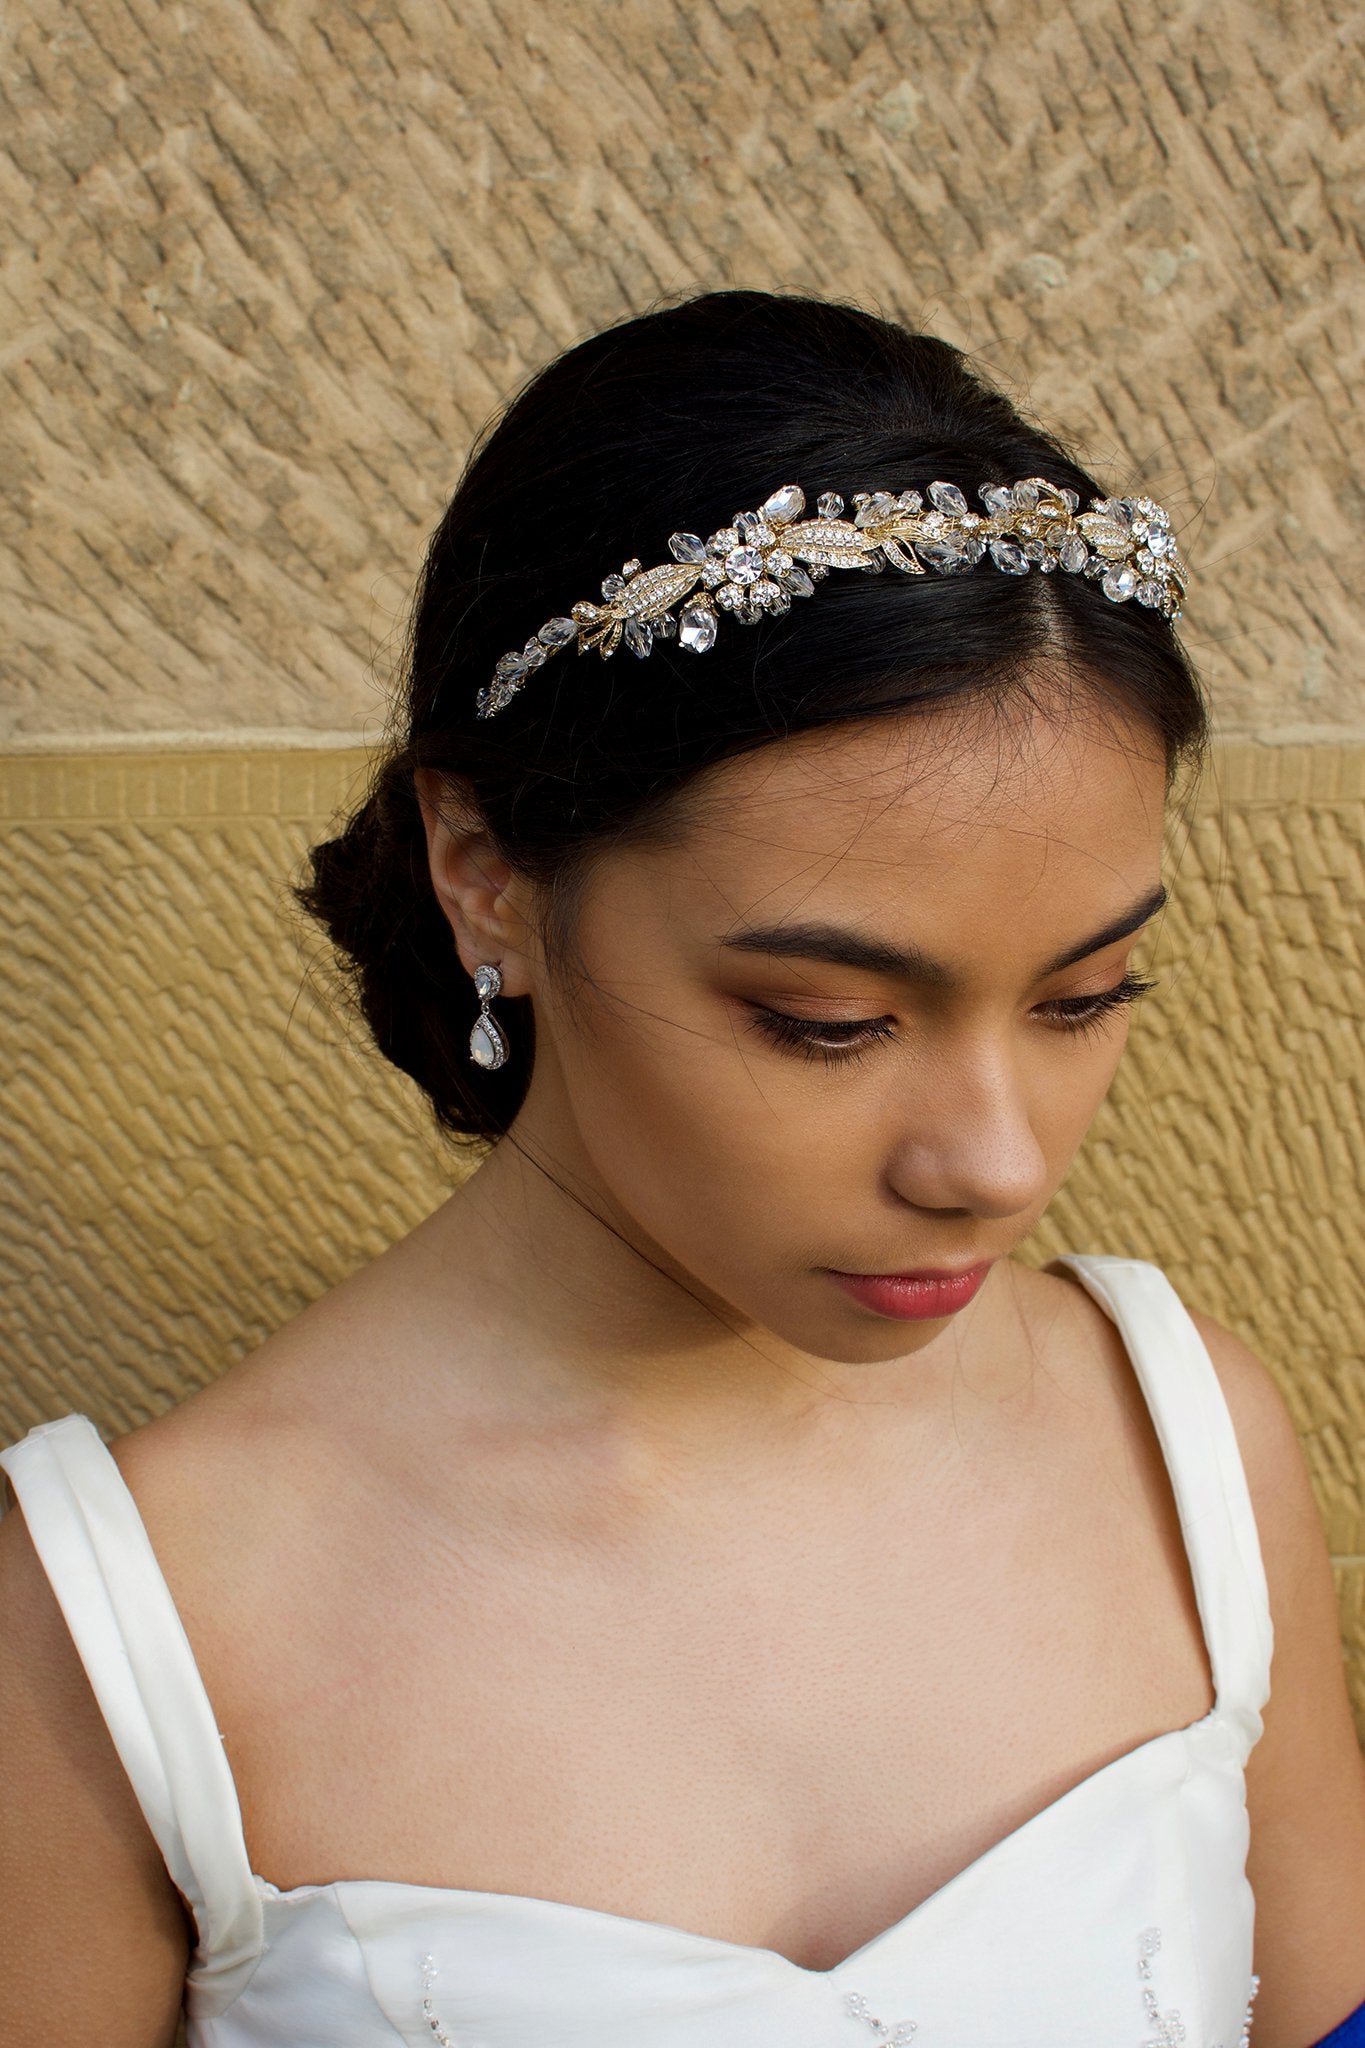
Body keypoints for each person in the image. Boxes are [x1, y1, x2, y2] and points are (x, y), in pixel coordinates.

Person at [1, 290, 1362, 2048]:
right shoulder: (122, 1628)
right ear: (482, 863)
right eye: (825, 1018)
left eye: (1085, 997)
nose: (995, 1162)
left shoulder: (1178, 1445)